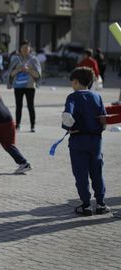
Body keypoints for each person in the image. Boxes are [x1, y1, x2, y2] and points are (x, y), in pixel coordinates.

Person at [62, 67, 110, 216]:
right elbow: (103, 119)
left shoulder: (73, 97)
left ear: (76, 82)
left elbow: (67, 116)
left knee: (80, 173)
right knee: (97, 171)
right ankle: (101, 203)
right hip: (95, 140)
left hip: (78, 140)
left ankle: (86, 205)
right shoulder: (97, 96)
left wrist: (67, 127)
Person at [7, 40, 42, 132]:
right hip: (18, 86)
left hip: (30, 86)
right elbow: (11, 74)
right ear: (20, 49)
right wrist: (19, 69)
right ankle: (17, 125)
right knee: (18, 106)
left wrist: (28, 70)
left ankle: (32, 126)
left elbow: (38, 75)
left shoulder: (34, 59)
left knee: (31, 106)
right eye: (23, 48)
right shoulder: (15, 59)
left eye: (27, 47)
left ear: (30, 49)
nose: (25, 49)